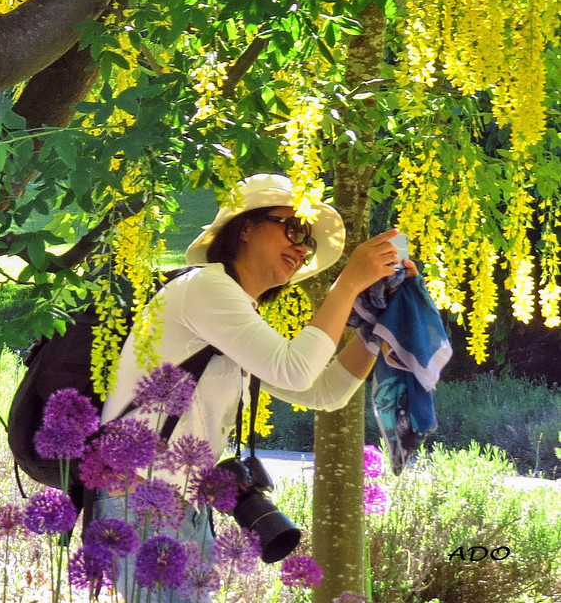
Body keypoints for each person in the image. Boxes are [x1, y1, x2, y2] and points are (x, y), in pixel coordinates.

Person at [95, 173, 418, 600]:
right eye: (295, 228)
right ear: (245, 227)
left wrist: (379, 326)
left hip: (179, 504)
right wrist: (349, 283)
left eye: (309, 241)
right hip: (142, 498)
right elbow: (295, 370)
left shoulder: (231, 314)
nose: (303, 247)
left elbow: (325, 392)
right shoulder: (204, 288)